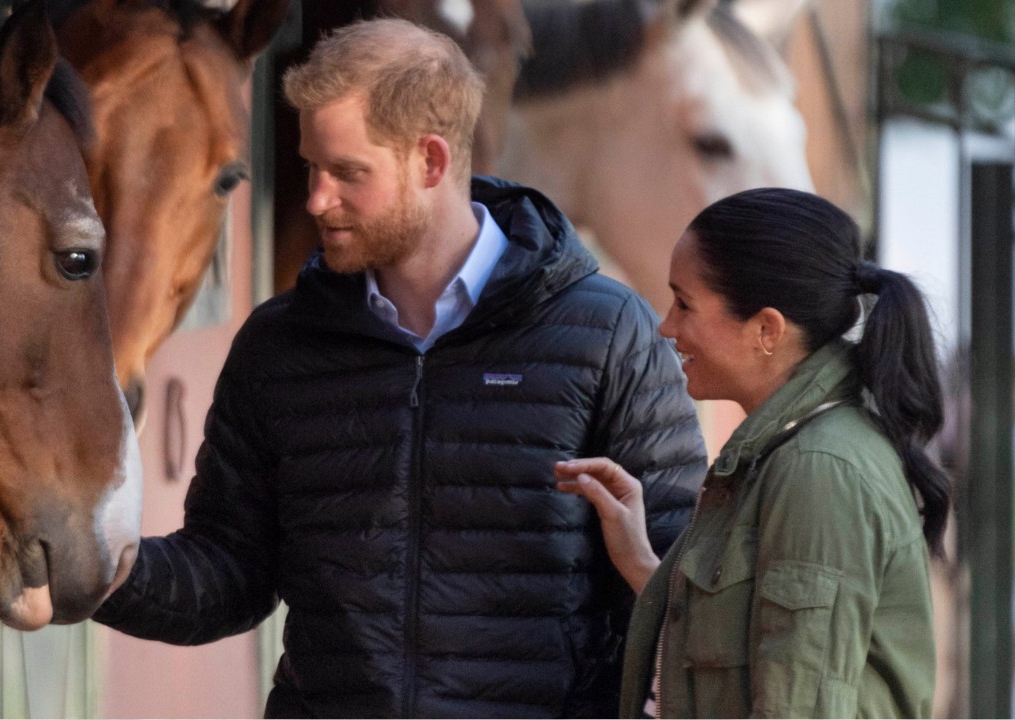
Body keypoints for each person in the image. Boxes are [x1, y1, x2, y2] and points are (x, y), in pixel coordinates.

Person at [93, 17, 707, 718]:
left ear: (432, 163)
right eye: (310, 168)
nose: (317, 200)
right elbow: (231, 573)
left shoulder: (604, 334)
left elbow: (677, 587)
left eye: (348, 174)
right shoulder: (279, 346)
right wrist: (102, 575)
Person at [556, 187, 948, 718]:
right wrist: (644, 564)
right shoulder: (790, 450)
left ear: (766, 329)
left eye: (684, 303)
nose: (666, 326)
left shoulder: (818, 469)